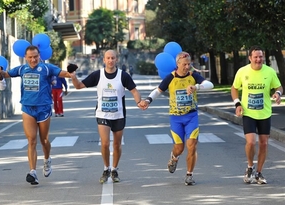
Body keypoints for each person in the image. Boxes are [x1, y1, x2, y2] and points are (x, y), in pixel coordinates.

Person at [0, 45, 72, 185]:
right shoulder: (21, 69)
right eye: (30, 57)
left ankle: (47, 159)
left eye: (35, 57)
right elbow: (7, 74)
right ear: (25, 57)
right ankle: (32, 172)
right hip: (27, 108)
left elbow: (62, 73)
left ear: (40, 56)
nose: (33, 59)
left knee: (44, 140)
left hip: (43, 109)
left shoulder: (46, 68)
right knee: (32, 140)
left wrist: (70, 72)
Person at [140, 51, 214, 185]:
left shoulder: (193, 76)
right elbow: (158, 90)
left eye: (189, 64)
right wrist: (148, 100)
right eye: (184, 64)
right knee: (179, 148)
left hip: (191, 116)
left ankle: (189, 175)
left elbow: (210, 85)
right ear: (177, 64)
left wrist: (196, 86)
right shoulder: (171, 77)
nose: (187, 67)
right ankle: (174, 158)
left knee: (191, 145)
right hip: (176, 118)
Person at [69, 49, 143, 183]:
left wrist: (139, 102)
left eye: (113, 58)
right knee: (104, 143)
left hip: (119, 114)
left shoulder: (123, 75)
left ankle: (114, 169)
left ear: (116, 60)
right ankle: (106, 168)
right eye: (108, 58)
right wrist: (73, 77)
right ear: (103, 60)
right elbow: (79, 86)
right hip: (102, 114)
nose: (110, 60)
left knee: (117, 144)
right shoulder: (98, 75)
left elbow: (134, 91)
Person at [231, 45, 283, 185]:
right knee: (251, 142)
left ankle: (259, 173)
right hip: (248, 113)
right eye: (255, 57)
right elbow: (234, 88)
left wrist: (278, 94)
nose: (258, 59)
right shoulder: (242, 72)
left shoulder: (269, 71)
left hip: (265, 113)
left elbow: (279, 87)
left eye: (261, 57)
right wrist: (237, 104)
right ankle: (249, 166)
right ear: (250, 58)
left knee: (264, 144)